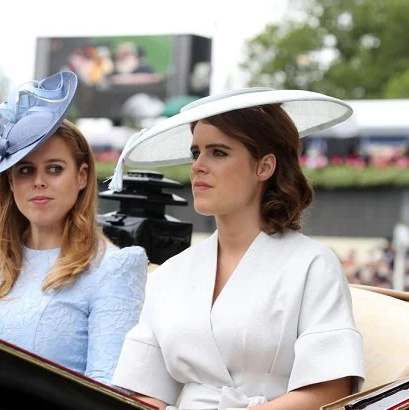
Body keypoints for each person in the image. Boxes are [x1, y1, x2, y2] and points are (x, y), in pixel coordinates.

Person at [107, 87, 365, 409]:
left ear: (264, 166)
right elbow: (143, 390)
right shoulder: (171, 273)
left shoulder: (312, 265)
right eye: (195, 152)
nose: (198, 166)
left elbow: (331, 389)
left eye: (218, 152)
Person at [0, 71, 148, 387]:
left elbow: (107, 391)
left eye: (54, 169)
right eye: (26, 170)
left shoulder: (114, 268)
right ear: (10, 183)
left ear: (82, 176)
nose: (39, 181)